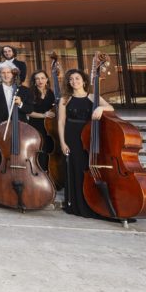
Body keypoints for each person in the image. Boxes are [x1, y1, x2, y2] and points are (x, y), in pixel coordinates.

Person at [57, 69, 115, 219]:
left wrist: (101, 108)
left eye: (77, 78)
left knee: (87, 168)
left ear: (84, 81)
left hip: (89, 136)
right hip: (72, 137)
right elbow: (61, 121)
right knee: (75, 169)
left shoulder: (93, 97)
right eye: (71, 79)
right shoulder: (65, 99)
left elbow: (112, 109)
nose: (74, 81)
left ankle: (92, 202)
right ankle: (76, 205)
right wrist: (63, 142)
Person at [28, 70, 57, 172]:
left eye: (42, 78)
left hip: (49, 127)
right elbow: (28, 112)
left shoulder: (51, 93)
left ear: (47, 79)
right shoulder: (30, 93)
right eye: (37, 79)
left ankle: (50, 174)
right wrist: (44, 115)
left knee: (48, 148)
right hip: (35, 126)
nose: (40, 81)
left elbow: (53, 109)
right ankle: (38, 173)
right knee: (39, 150)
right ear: (34, 81)